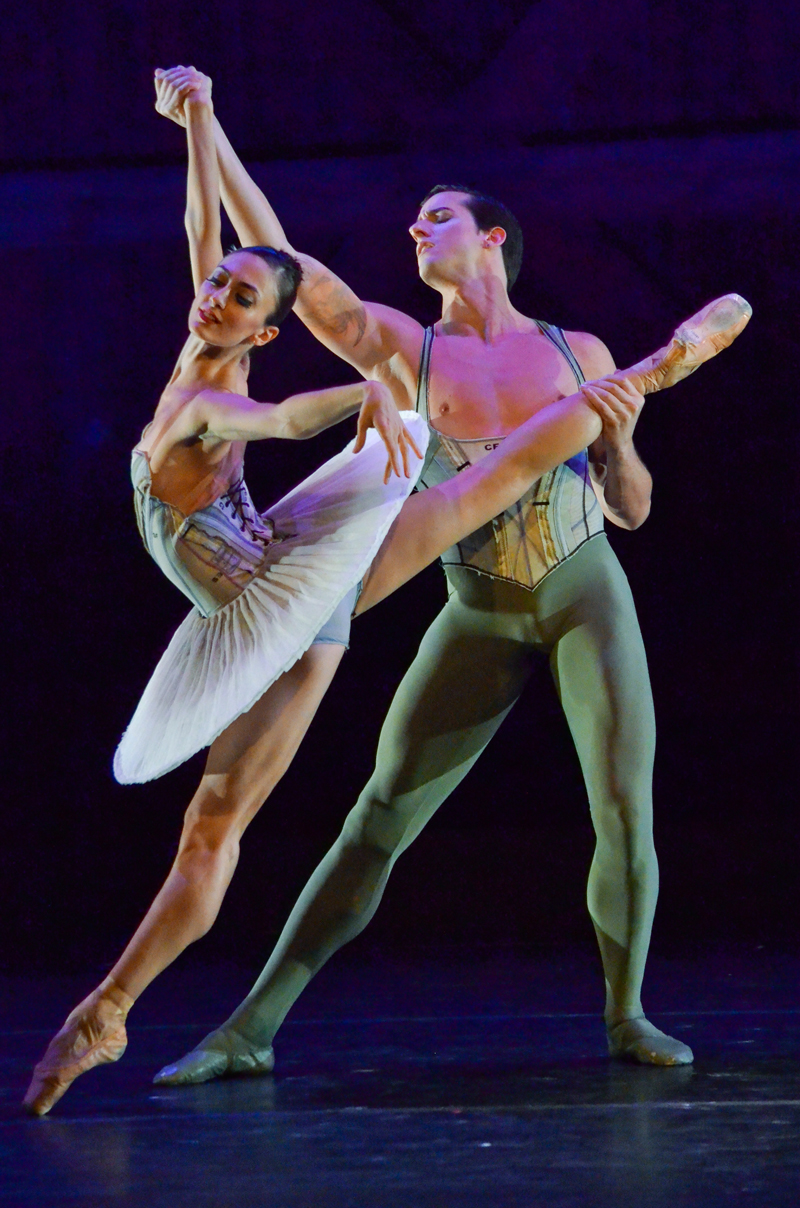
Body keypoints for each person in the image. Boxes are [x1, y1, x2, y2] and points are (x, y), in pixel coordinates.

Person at [26, 70, 732, 1120]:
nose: (415, 225)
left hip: (569, 578)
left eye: (436, 215)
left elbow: (627, 509)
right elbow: (280, 269)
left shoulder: (565, 351)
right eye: (413, 218)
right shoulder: (396, 346)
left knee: (618, 804)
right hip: (417, 590)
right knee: (353, 815)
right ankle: (236, 1026)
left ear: (491, 237)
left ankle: (623, 1010)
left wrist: (622, 426)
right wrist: (206, 126)